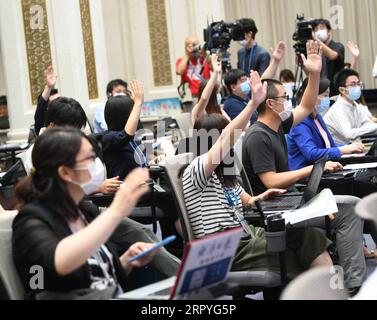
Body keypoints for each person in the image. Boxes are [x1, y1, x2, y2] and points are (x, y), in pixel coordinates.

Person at [183, 71, 333, 282]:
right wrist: (253, 104)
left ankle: (327, 290)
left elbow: (247, 202)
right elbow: (227, 138)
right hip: (223, 249)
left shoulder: (226, 173)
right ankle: (321, 289)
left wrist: (261, 198)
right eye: (225, 136)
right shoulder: (196, 170)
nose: (231, 145)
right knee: (294, 256)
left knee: (307, 235)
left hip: (247, 234)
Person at [242, 41, 367, 292]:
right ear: (270, 104)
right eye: (284, 98)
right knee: (349, 209)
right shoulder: (258, 136)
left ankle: (353, 283)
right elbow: (271, 182)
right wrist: (311, 169)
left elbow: (307, 105)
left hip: (291, 200)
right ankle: (354, 286)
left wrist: (314, 72)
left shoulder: (278, 124)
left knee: (351, 204)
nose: (288, 102)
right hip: (274, 209)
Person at [13, 128, 159, 299]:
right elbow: (59, 262)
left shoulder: (83, 211)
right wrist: (117, 210)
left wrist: (126, 261)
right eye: (90, 158)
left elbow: (93, 281)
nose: (96, 164)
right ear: (65, 172)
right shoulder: (30, 220)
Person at [286, 77, 377, 254]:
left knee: (368, 185)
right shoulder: (300, 122)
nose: (327, 99)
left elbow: (331, 147)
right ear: (310, 95)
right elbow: (311, 153)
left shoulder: (317, 117)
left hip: (327, 172)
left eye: (328, 95)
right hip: (310, 179)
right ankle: (359, 245)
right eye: (324, 95)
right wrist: (344, 150)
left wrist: (346, 150)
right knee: (366, 190)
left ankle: (359, 245)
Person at [102, 80, 182, 237]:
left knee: (175, 191)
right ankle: (186, 243)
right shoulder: (109, 138)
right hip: (128, 193)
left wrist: (152, 162)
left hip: (143, 188)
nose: (136, 116)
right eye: (133, 112)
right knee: (172, 199)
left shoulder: (133, 140)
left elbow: (136, 163)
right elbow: (125, 136)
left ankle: (175, 244)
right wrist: (138, 103)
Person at [224, 41, 286, 124]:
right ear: (233, 87)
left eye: (247, 79)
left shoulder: (245, 99)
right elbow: (242, 128)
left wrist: (275, 61)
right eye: (243, 81)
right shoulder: (232, 105)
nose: (247, 82)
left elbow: (263, 81)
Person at [324, 68, 377, 145]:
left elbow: (367, 124)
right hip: (339, 152)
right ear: (342, 90)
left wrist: (373, 127)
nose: (357, 87)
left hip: (355, 148)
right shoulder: (338, 109)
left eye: (358, 84)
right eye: (353, 84)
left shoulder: (355, 105)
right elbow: (349, 134)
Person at [191, 54, 230, 125]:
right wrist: (215, 72)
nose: (219, 95)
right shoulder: (198, 110)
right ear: (211, 94)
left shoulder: (217, 108)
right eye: (217, 93)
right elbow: (204, 98)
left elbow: (229, 124)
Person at [176, 36, 211, 112]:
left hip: (206, 95)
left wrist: (205, 54)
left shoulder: (205, 60)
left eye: (195, 44)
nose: (194, 47)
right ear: (186, 47)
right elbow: (179, 71)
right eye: (190, 45)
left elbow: (215, 68)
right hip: (191, 98)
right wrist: (187, 54)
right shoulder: (182, 61)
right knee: (192, 121)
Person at [313, 19, 345, 95]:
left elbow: (332, 56)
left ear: (329, 31)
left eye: (321, 28)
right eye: (316, 30)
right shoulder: (315, 50)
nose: (318, 31)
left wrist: (315, 39)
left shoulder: (338, 46)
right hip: (320, 92)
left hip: (336, 92)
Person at [34, 66, 61, 136]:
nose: (58, 104)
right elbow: (39, 113)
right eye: (53, 102)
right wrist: (48, 87)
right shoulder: (43, 125)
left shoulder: (66, 117)